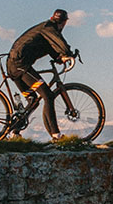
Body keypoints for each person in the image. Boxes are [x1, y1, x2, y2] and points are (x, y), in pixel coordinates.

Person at [7, 9, 74, 140]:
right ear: (64, 22)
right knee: (48, 95)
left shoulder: (45, 30)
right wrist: (68, 53)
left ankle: (14, 131)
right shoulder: (49, 28)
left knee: (32, 100)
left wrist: (59, 58)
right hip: (20, 66)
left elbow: (50, 47)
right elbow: (59, 42)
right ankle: (56, 134)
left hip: (14, 65)